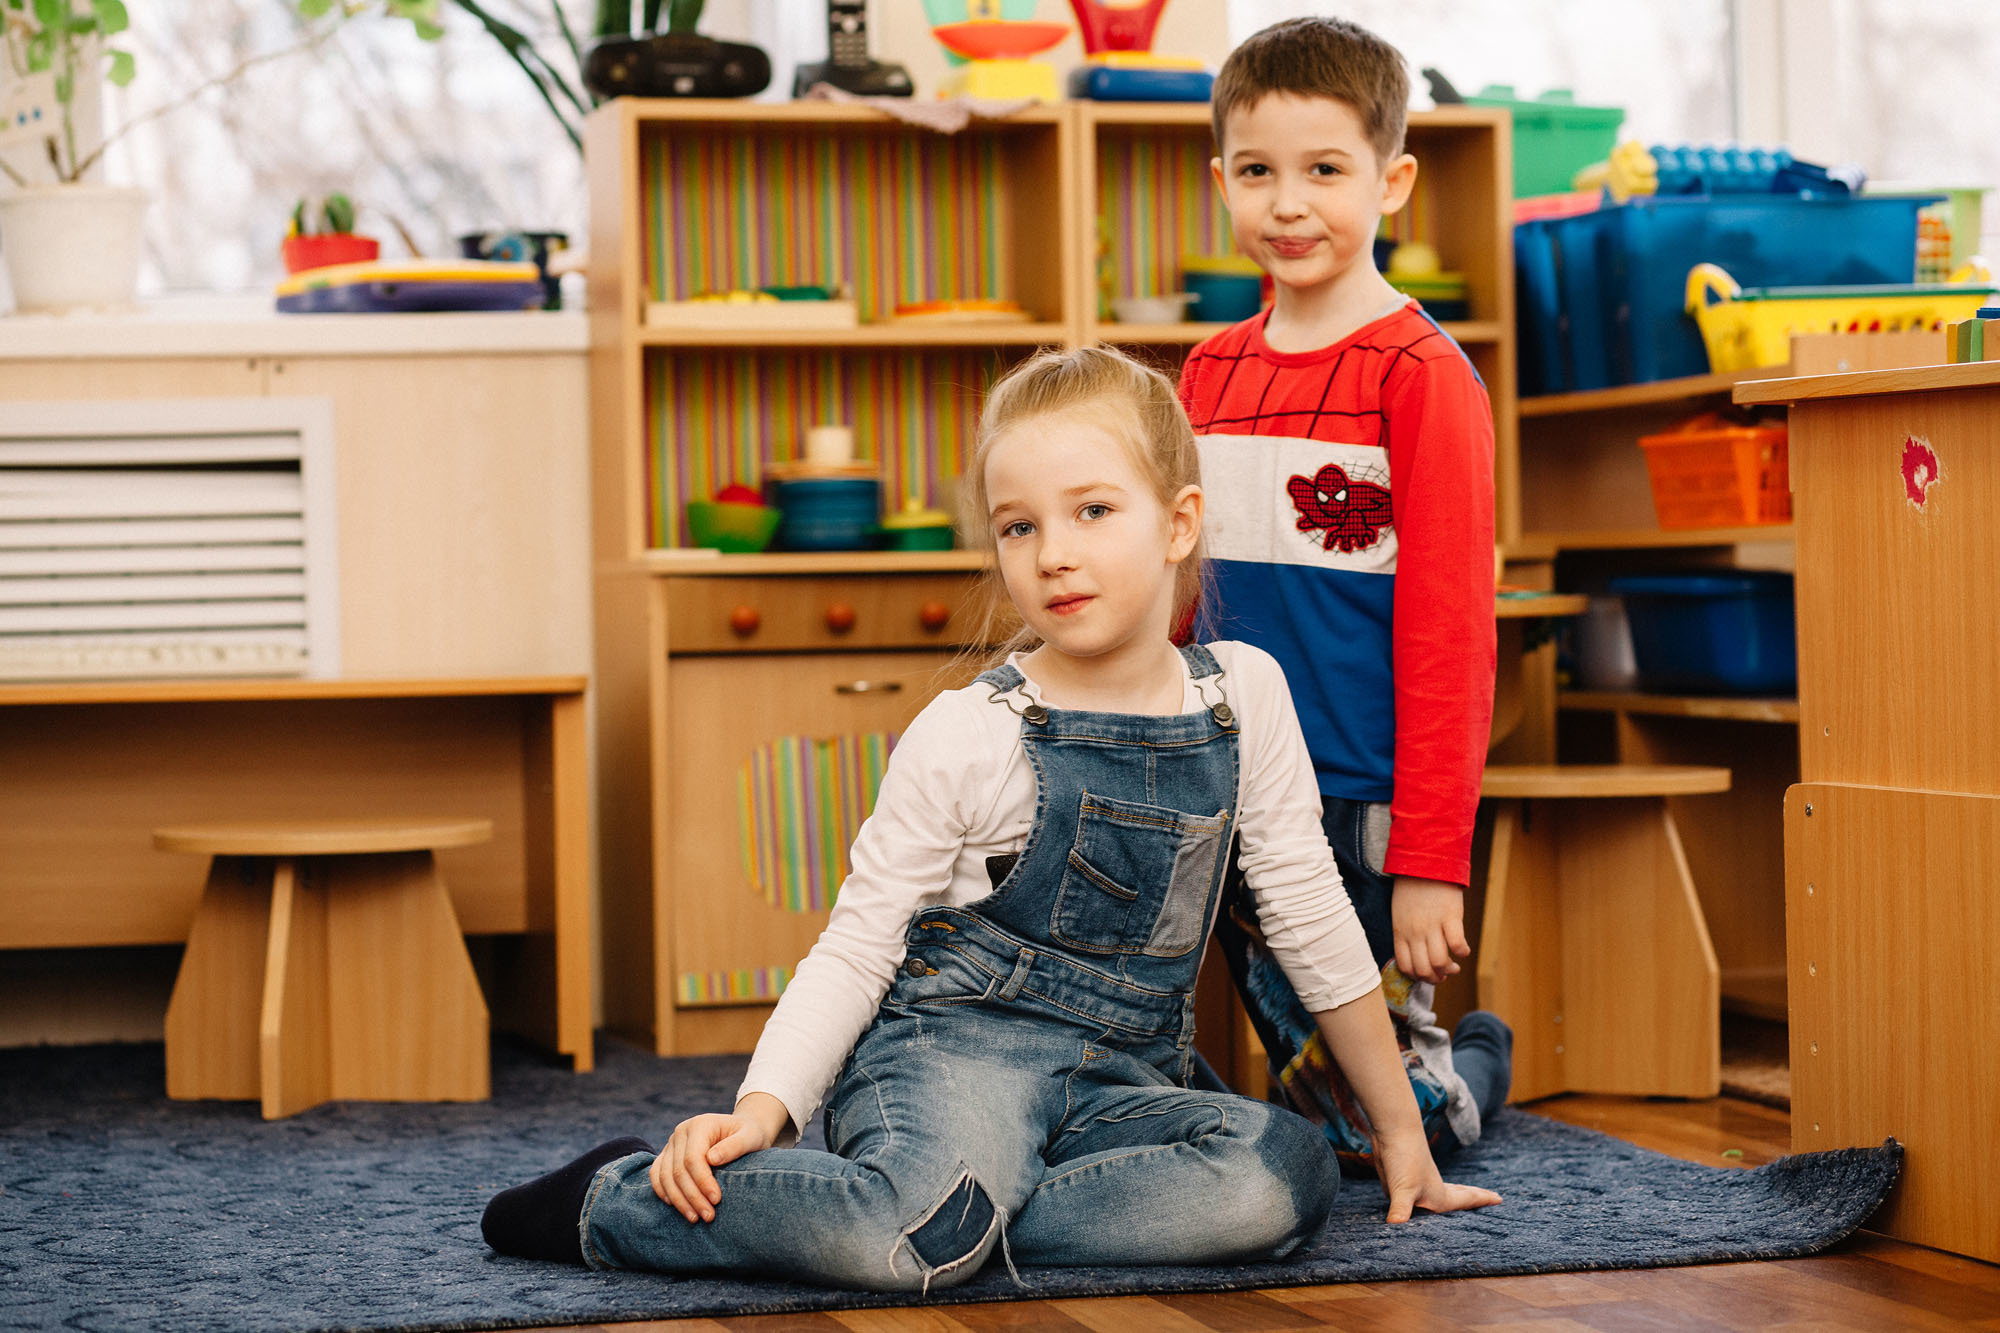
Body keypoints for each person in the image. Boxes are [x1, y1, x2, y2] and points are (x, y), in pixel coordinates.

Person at [480, 345, 1499, 1290]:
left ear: (1178, 522)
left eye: (1092, 511)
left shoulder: (1244, 694)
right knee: (903, 1240)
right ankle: (615, 1200)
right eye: (1019, 525)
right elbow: (857, 944)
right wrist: (764, 1107)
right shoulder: (969, 729)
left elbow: (1307, 914)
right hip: (946, 1061)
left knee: (1278, 1177)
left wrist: (1398, 1129)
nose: (1053, 553)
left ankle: (965, 1220)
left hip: (1122, 1078)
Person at [1176, 16, 1508, 1168]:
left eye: (1324, 170)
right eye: (1257, 172)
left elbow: (1452, 635)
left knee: (1386, 1126)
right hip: (1226, 771)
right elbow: (1183, 583)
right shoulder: (1208, 371)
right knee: (1299, 1069)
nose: (1288, 203)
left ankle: (1466, 1068)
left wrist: (1429, 857)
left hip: (1357, 790)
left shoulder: (1420, 377)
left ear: (1391, 180)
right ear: (1220, 181)